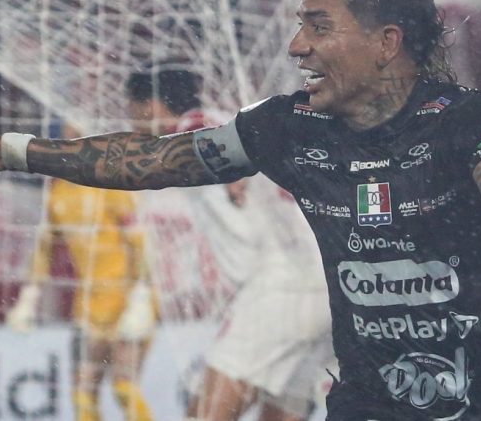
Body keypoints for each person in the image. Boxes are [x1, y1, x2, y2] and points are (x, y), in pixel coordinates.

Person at [0, 0, 481, 420]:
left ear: (386, 42)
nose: (296, 46)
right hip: (369, 400)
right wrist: (12, 150)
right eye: (300, 24)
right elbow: (149, 160)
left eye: (319, 26)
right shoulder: (285, 127)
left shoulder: (465, 119)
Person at [125, 70, 334, 421]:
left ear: (153, 106)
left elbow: (206, 131)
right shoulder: (238, 124)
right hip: (322, 280)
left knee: (205, 415)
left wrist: (232, 175)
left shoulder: (195, 126)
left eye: (132, 110)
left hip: (284, 285)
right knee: (282, 409)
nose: (131, 121)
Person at [6, 123, 155, 421]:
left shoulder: (112, 184)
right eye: (68, 139)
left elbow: (141, 243)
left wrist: (142, 294)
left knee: (124, 388)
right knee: (82, 395)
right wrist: (30, 296)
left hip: (127, 299)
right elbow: (46, 247)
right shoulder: (59, 193)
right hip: (89, 303)